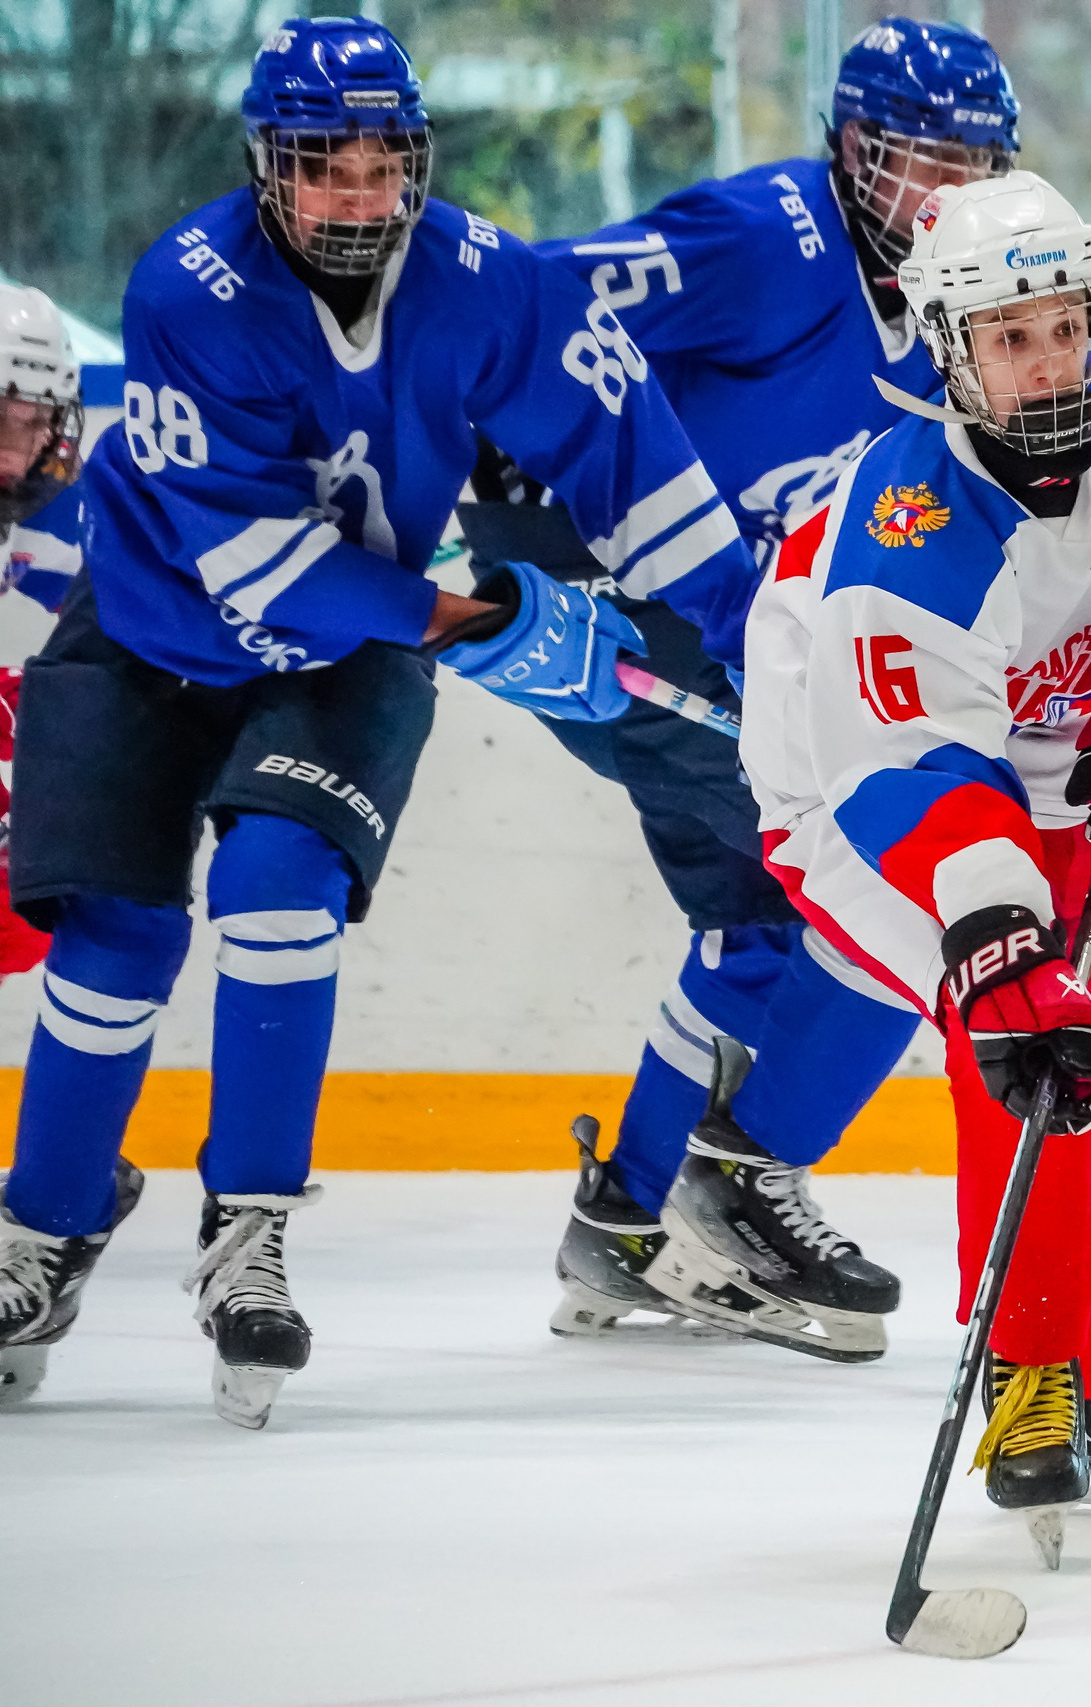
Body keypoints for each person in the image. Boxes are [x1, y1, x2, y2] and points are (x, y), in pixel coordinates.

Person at [0, 17, 759, 1425]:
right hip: (153, 628)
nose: (359, 196)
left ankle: (251, 1238)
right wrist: (479, 621)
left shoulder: (484, 280)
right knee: (115, 940)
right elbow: (243, 551)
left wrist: (745, 630)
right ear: (266, 165)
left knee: (280, 894)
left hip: (341, 660)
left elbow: (625, 448)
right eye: (322, 167)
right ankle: (40, 1231)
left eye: (381, 163)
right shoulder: (191, 285)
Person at [739, 171, 1091, 1538]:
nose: (1050, 364)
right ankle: (1030, 1377)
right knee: (1038, 1051)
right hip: (856, 790)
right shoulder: (906, 535)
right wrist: (997, 944)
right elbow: (911, 768)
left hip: (1046, 772)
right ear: (950, 352)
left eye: (1066, 325)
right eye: (1010, 337)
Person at [479, 17, 1021, 1355]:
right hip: (626, 604)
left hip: (733, 639)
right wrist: (497, 453)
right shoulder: (774, 235)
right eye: (919, 164)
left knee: (756, 932)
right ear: (850, 150)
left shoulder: (953, 320)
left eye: (975, 168)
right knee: (884, 868)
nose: (945, 198)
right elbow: (525, 306)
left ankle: (624, 1231)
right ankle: (743, 1182)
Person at [0, 283, 84, 986]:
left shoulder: (49, 517)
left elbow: (120, 633)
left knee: (19, 906)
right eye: (0, 416)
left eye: (35, 421)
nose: (16, 446)